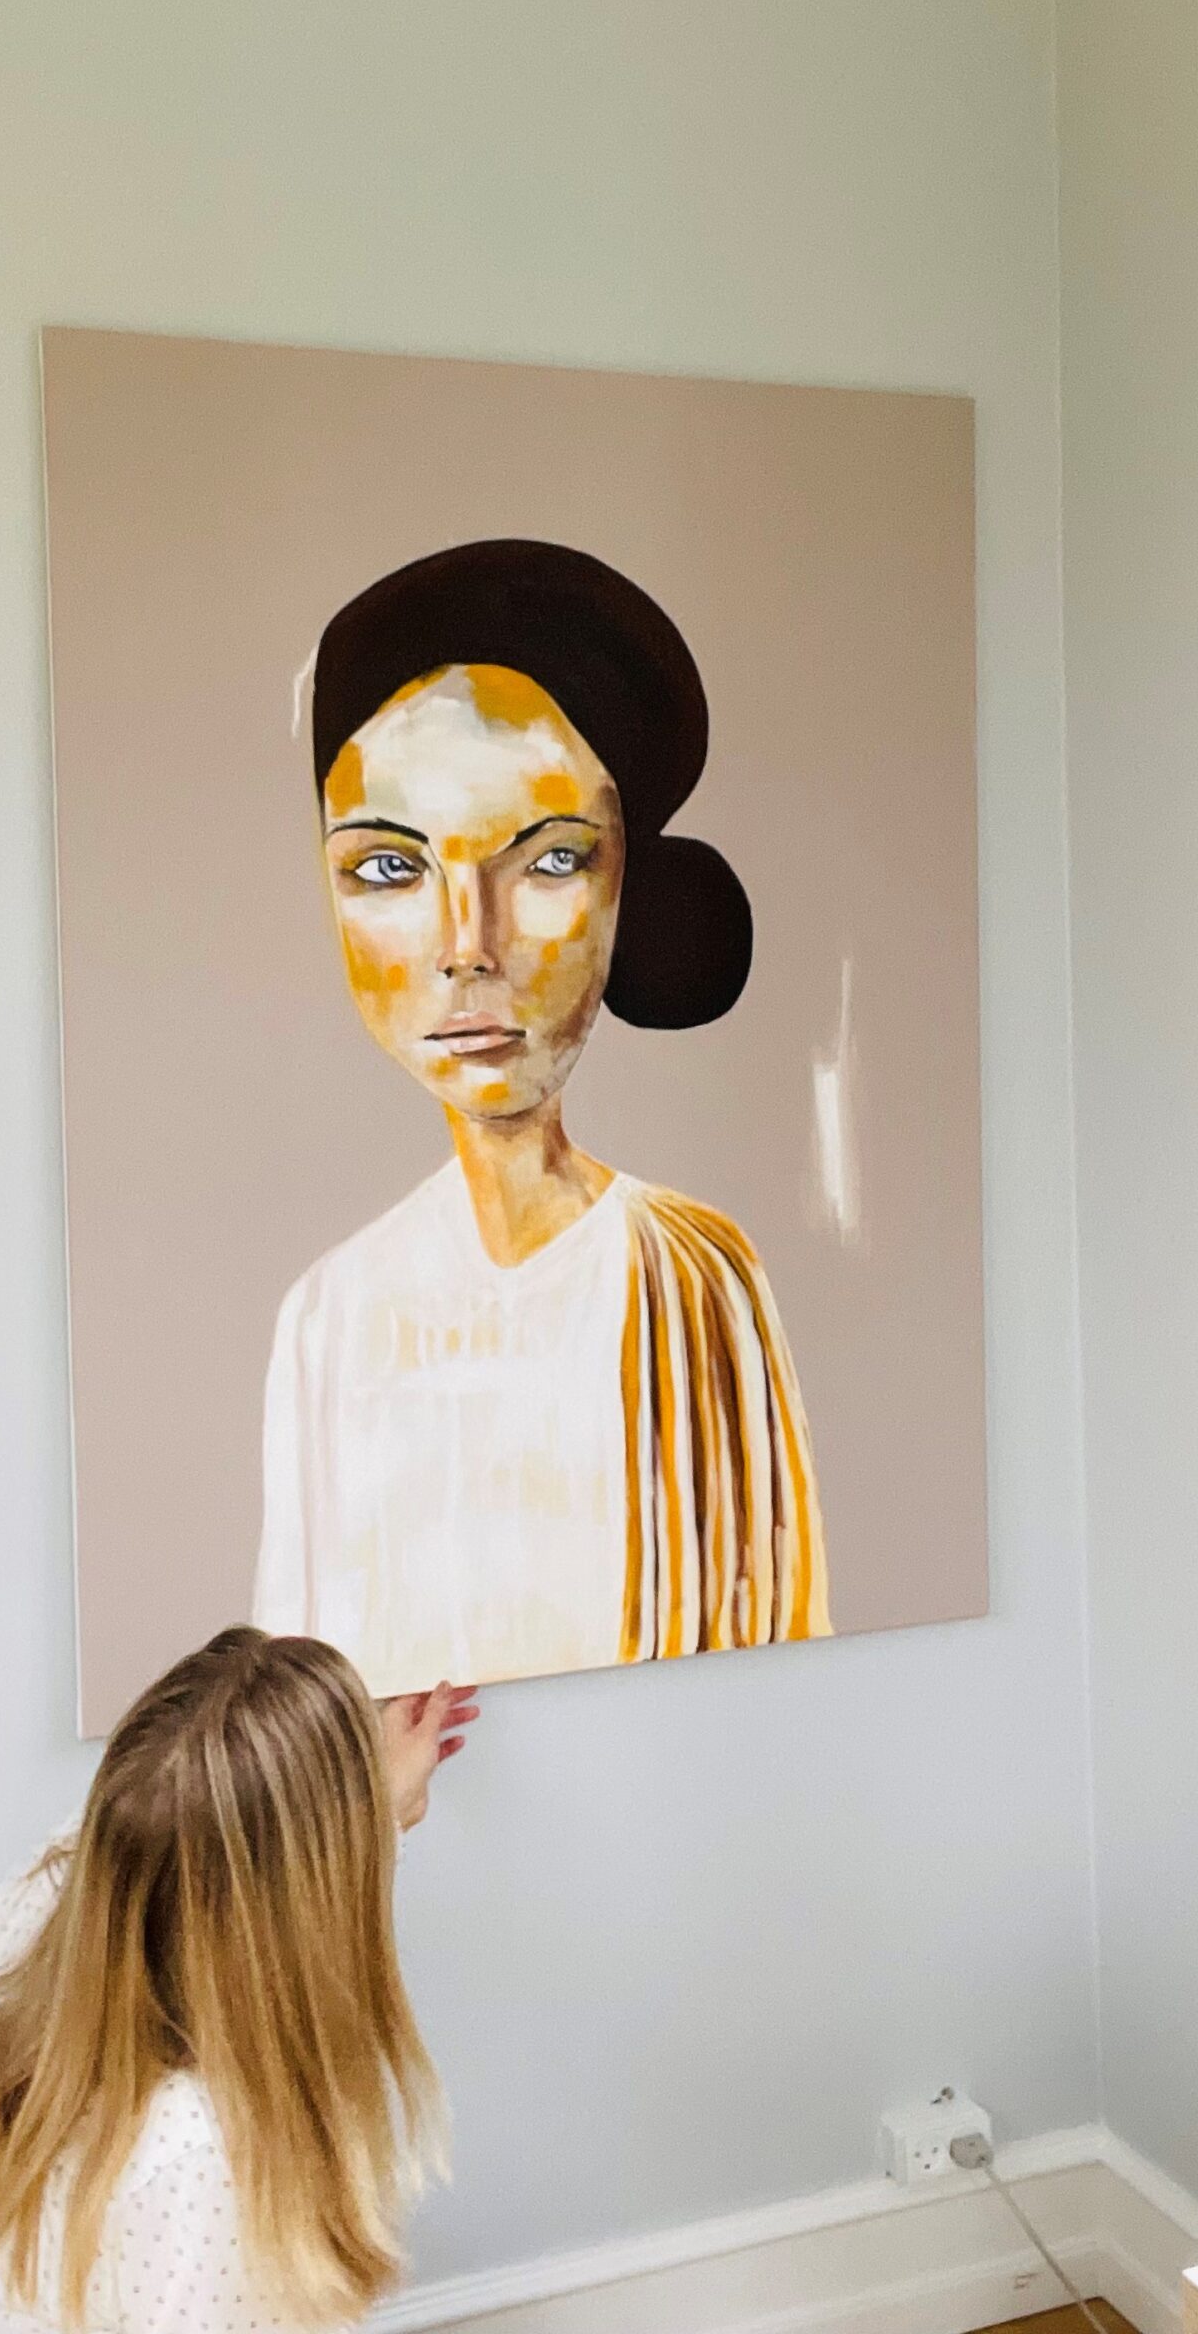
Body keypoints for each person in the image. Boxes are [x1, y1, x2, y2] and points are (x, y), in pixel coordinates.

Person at [254, 538, 832, 1698]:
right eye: (390, 870)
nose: (468, 945)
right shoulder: (329, 1317)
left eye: (548, 860)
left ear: (629, 885)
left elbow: (779, 1648)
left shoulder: (694, 1274)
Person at [0, 1628, 477, 2333]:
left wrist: (370, 1812)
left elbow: (212, 1848)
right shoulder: (204, 2160)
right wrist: (356, 1822)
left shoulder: (36, 1906)